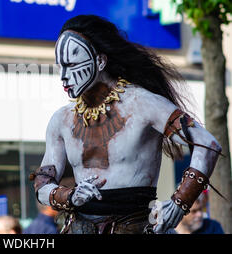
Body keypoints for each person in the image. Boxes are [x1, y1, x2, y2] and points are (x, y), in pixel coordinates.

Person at [30, 15, 223, 234]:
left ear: (100, 61)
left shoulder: (143, 103)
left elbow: (208, 144)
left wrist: (181, 201)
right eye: (60, 66)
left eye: (72, 65)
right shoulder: (61, 119)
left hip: (136, 226)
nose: (63, 76)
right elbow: (43, 183)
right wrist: (69, 195)